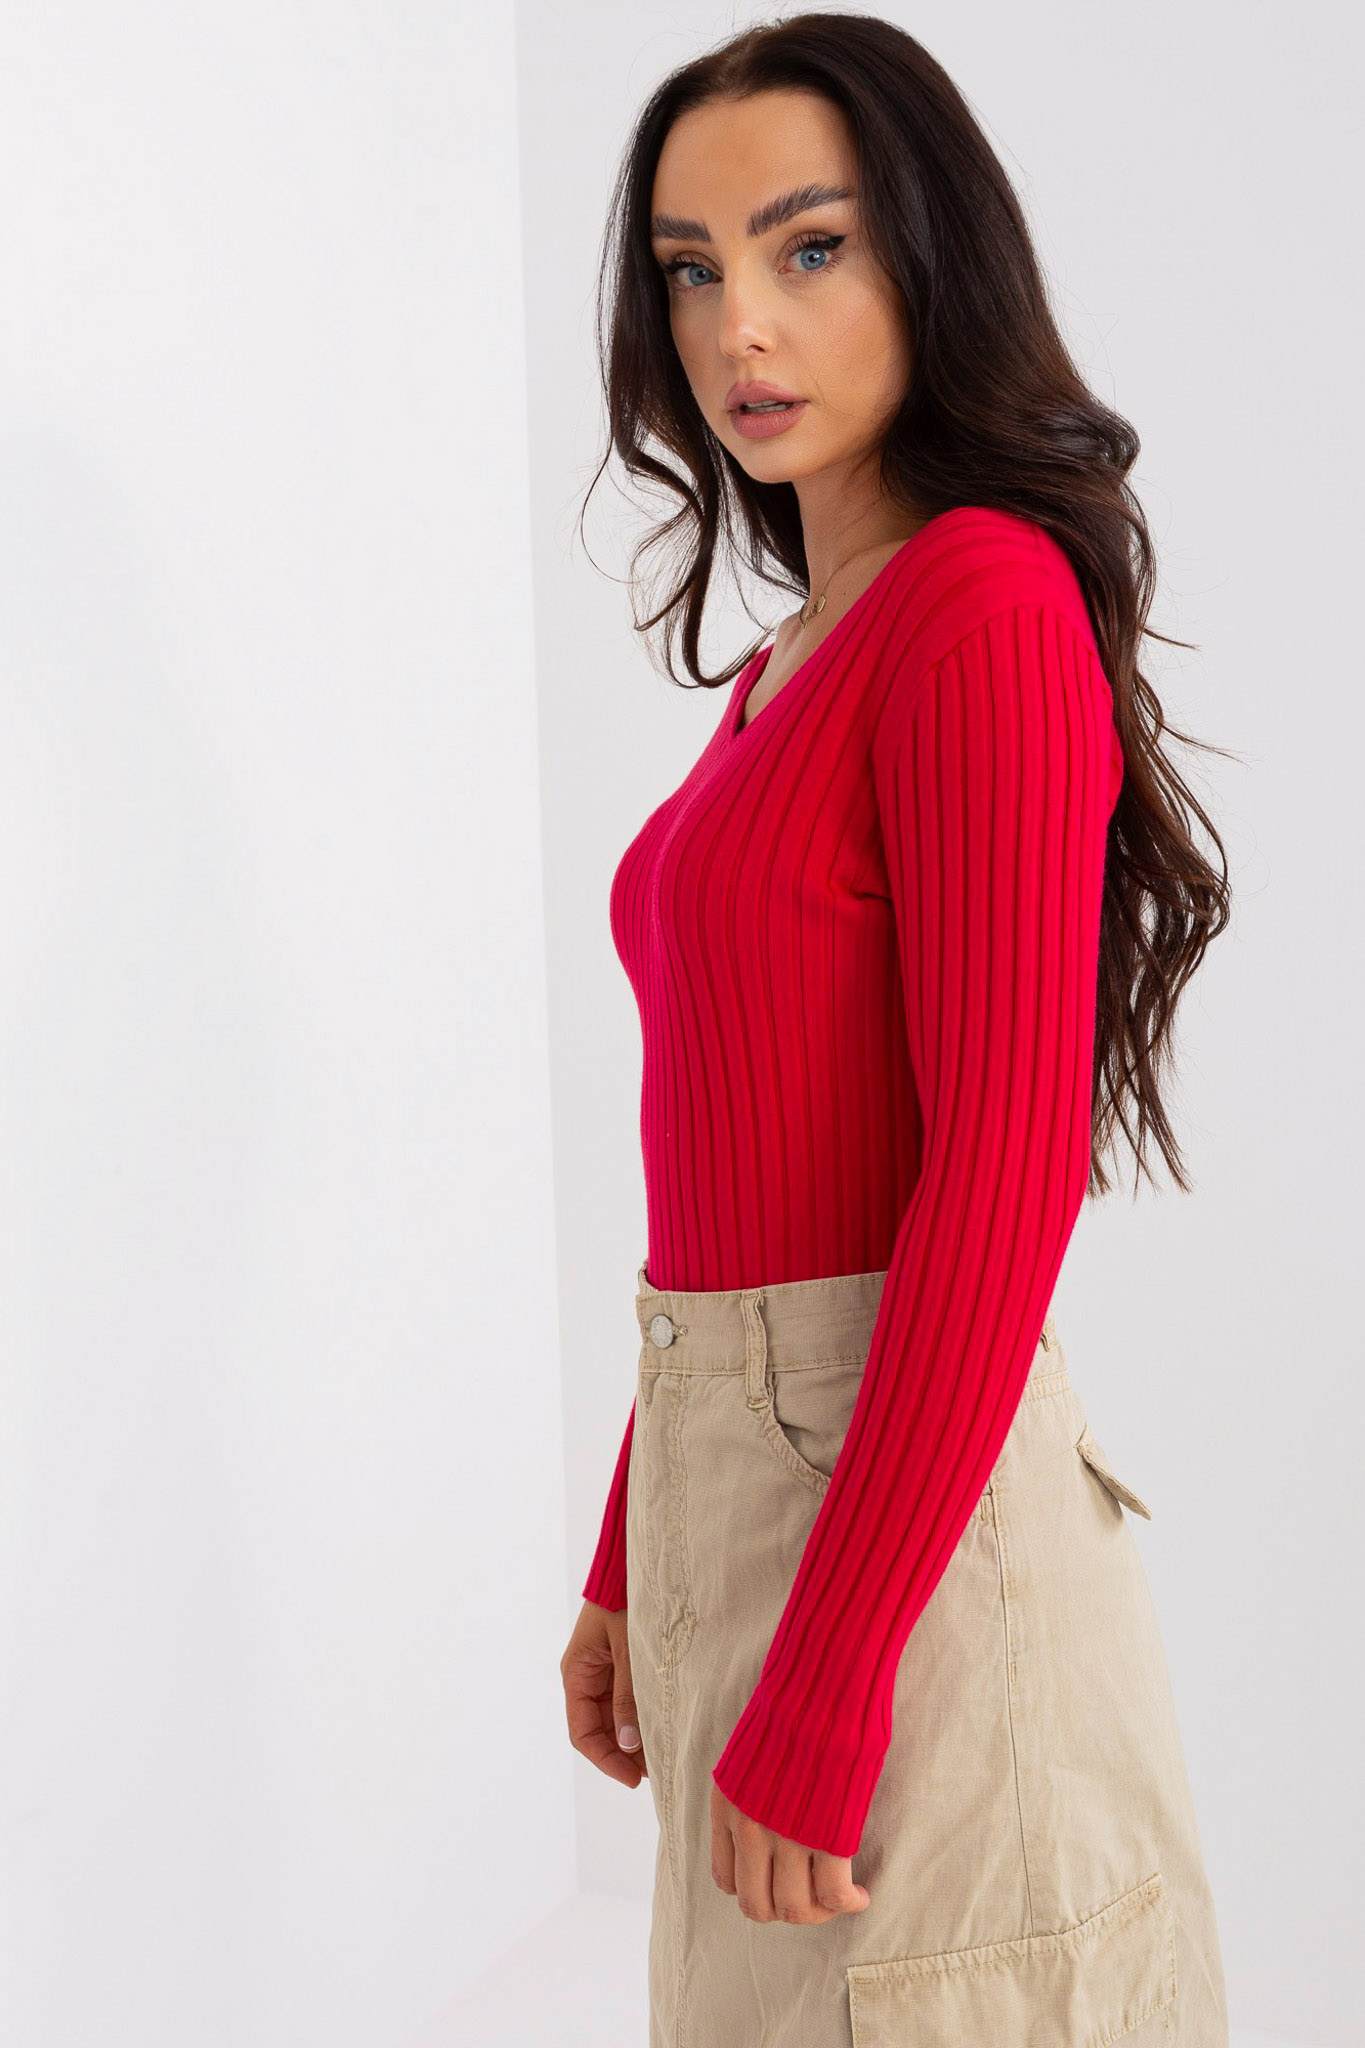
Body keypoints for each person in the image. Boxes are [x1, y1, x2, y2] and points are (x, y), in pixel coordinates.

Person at [560, 15, 1232, 2044]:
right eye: (689, 269)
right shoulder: (791, 660)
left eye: (806, 248)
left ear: (928, 255)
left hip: (906, 1537)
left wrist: (840, 1658)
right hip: (752, 1491)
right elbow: (739, 1158)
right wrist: (631, 1549)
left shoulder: (978, 608)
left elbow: (997, 1171)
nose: (737, 327)